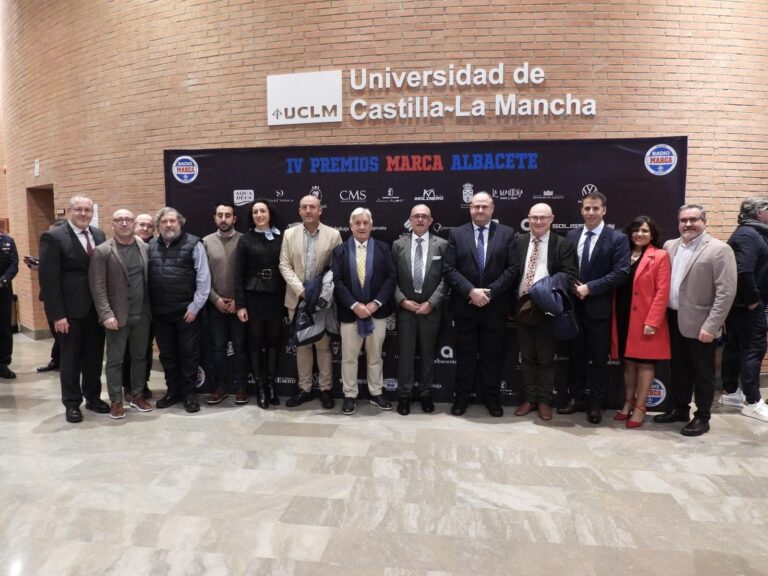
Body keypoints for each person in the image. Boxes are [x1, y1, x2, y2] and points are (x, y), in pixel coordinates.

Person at [654, 204, 737, 436]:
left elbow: (726, 291)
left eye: (693, 219)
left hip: (701, 324)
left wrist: (712, 325)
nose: (688, 224)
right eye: (683, 220)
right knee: (678, 369)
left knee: (703, 373)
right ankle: (680, 409)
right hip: (672, 318)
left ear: (704, 221)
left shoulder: (719, 250)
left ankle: (702, 417)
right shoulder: (670, 246)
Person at [443, 191, 519, 417]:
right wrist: (471, 291)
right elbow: (449, 268)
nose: (480, 210)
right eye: (476, 206)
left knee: (492, 356)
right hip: (465, 306)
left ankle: (492, 399)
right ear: (470, 208)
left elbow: (513, 268)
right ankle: (461, 399)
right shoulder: (457, 234)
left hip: (495, 307)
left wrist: (490, 292)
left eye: (484, 207)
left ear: (492, 208)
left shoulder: (506, 233)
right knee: (465, 356)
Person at [560, 191, 630, 424]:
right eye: (587, 208)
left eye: (595, 208)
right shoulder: (571, 235)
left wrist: (589, 288)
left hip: (599, 310)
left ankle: (595, 404)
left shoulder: (617, 238)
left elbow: (620, 273)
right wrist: (571, 284)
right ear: (581, 210)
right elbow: (563, 267)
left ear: (604, 210)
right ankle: (576, 398)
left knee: (599, 360)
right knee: (575, 357)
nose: (590, 212)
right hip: (572, 309)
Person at [39, 195, 108, 423]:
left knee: (94, 357)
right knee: (70, 360)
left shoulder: (98, 235)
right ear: (69, 211)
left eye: (87, 210)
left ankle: (93, 398)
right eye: (78, 209)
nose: (83, 214)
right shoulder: (54, 237)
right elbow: (49, 281)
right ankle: (72, 403)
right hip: (69, 313)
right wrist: (57, 314)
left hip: (96, 311)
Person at [513, 203, 577, 421]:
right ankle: (529, 399)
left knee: (546, 359)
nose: (538, 222)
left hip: (548, 310)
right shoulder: (519, 242)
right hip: (522, 309)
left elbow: (569, 273)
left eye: (543, 218)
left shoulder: (562, 244)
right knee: (528, 357)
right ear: (528, 219)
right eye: (534, 218)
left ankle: (544, 401)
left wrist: (545, 288)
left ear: (552, 219)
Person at [88, 209, 154, 418]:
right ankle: (116, 400)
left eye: (128, 220)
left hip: (142, 314)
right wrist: (106, 314)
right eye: (119, 220)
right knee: (115, 360)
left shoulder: (144, 247)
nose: (124, 223)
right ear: (112, 224)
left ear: (134, 223)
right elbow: (97, 286)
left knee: (140, 357)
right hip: (117, 316)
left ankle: (136, 395)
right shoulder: (103, 251)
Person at [279, 194, 342, 410]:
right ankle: (304, 390)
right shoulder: (289, 234)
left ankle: (325, 389)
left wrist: (319, 294)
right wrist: (302, 291)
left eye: (312, 207)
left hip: (322, 302)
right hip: (296, 300)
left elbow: (336, 269)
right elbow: (284, 265)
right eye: (304, 207)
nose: (308, 210)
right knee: (303, 346)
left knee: (323, 346)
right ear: (299, 211)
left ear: (320, 210)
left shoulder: (333, 235)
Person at [332, 207, 396, 415]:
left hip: (376, 313)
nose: (361, 226)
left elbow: (391, 278)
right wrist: (355, 305)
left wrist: (375, 303)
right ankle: (350, 395)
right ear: (350, 226)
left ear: (371, 225)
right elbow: (337, 281)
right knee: (349, 357)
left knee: (375, 356)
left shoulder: (383, 248)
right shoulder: (340, 251)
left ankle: (376, 393)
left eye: (365, 223)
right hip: (350, 314)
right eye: (357, 223)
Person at [148, 207, 211, 414]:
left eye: (172, 221)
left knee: (189, 355)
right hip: (160, 313)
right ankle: (172, 391)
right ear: (159, 226)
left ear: (180, 223)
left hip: (187, 313)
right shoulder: (150, 246)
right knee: (167, 355)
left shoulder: (194, 244)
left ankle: (190, 394)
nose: (168, 225)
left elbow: (203, 279)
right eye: (164, 222)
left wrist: (194, 307)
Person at [611, 216, 671, 428]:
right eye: (636, 230)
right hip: (624, 315)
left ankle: (641, 407)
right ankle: (628, 403)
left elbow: (663, 292)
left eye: (645, 230)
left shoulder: (660, 256)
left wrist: (653, 321)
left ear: (652, 234)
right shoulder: (623, 254)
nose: (640, 234)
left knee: (645, 364)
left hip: (646, 319)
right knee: (628, 363)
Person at [391, 204, 447, 416]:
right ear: (410, 220)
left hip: (430, 309)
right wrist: (402, 301)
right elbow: (392, 278)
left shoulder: (441, 245)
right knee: (405, 355)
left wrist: (431, 302)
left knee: (427, 355)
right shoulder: (398, 245)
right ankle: (404, 395)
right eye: (416, 216)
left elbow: (445, 278)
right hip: (406, 309)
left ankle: (425, 394)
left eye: (424, 216)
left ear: (431, 221)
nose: (421, 220)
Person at [720, 197, 768, 422]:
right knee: (753, 348)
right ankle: (752, 401)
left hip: (740, 305)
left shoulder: (753, 233)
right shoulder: (749, 235)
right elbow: (743, 271)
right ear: (759, 212)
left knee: (736, 347)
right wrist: (753, 300)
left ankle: (731, 393)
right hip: (747, 306)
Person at [235, 199, 285, 409]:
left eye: (262, 211)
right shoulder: (245, 239)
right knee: (255, 343)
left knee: (273, 341)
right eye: (255, 212)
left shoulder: (281, 237)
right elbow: (238, 274)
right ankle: (260, 387)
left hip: (275, 296)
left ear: (269, 213)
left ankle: (272, 384)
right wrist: (241, 305)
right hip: (253, 297)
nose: (259, 215)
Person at [203, 203, 249, 406]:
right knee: (218, 349)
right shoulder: (204, 242)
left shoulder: (244, 241)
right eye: (220, 215)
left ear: (234, 219)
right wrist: (216, 299)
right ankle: (220, 387)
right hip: (215, 306)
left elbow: (248, 274)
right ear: (214, 218)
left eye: (228, 215)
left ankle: (241, 388)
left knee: (240, 348)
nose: (224, 219)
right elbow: (202, 277)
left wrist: (238, 301)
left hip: (239, 306)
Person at [122, 213, 156, 399]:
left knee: (145, 349)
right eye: (141, 224)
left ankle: (142, 383)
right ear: (135, 225)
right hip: (129, 308)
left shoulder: (156, 247)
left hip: (150, 309)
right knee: (128, 349)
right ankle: (127, 385)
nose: (145, 228)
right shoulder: (125, 245)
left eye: (149, 226)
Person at [36, 218, 67, 373]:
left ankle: (61, 362)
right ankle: (56, 360)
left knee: (62, 334)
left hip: (64, 299)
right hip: (49, 298)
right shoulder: (50, 242)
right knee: (57, 333)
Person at [0, 228, 19, 379]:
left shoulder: (7, 241)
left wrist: (4, 280)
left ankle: (3, 363)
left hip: (3, 290)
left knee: (4, 327)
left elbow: (14, 264)